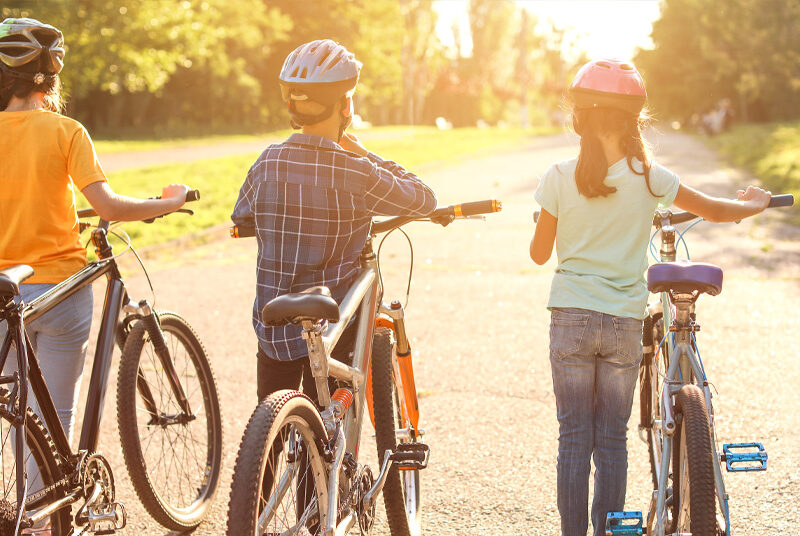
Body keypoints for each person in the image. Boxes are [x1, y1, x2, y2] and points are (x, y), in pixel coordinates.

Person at [529, 58, 770, 536]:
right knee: (613, 440)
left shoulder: (558, 176)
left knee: (574, 439)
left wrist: (548, 224)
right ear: (633, 120)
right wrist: (752, 204)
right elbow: (715, 209)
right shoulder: (649, 178)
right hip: (621, 321)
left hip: (572, 319)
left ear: (580, 118)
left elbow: (539, 255)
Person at [0, 16, 190, 518]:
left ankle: (26, 511)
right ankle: (44, 519)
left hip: (6, 294)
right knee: (52, 415)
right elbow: (108, 208)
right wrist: (166, 203)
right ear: (50, 79)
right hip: (59, 289)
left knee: (22, 417)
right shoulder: (66, 131)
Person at [231, 39, 436, 402]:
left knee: (272, 432)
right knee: (330, 431)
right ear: (346, 104)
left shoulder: (267, 162)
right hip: (332, 331)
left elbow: (243, 215)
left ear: (292, 105)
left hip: (274, 328)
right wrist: (365, 154)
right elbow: (423, 198)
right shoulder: (357, 172)